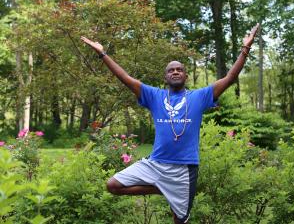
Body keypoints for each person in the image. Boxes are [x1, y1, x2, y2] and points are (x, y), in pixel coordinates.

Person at [81, 23, 259, 224]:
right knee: (113, 185)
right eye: (171, 70)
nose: (175, 72)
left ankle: (169, 188)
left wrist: (246, 48)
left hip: (184, 169)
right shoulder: (154, 95)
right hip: (155, 164)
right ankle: (161, 188)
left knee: (180, 221)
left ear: (185, 75)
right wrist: (103, 54)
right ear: (166, 77)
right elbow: (125, 78)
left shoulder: (200, 96)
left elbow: (230, 77)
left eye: (179, 69)